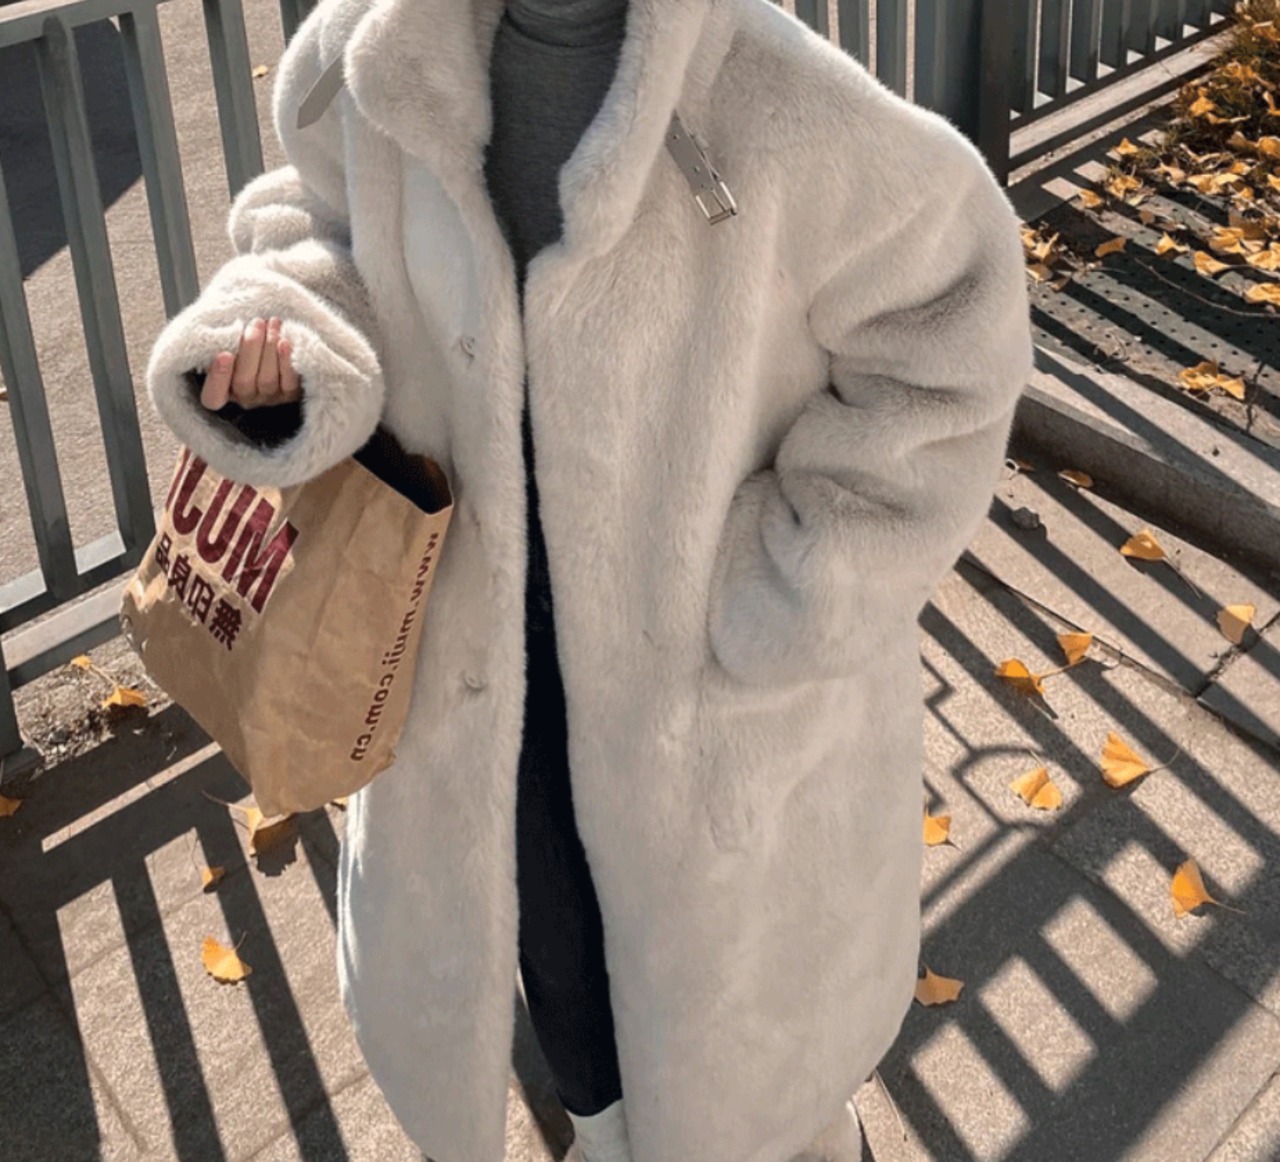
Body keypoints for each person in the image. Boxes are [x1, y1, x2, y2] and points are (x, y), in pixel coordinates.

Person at [145, 0, 1035, 1158]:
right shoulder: (366, 48)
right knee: (558, 971)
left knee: (746, 1052)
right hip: (473, 669)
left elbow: (951, 330)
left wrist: (794, 586)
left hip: (704, 697)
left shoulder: (766, 92)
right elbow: (314, 224)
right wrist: (281, 343)